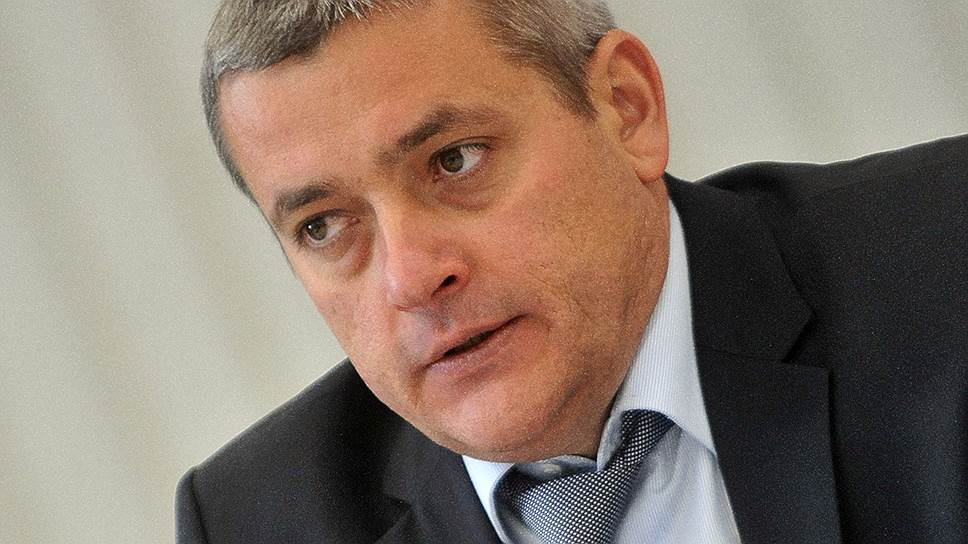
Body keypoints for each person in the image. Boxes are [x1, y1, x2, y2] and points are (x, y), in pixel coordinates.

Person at [176, 1, 967, 542]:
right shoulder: (260, 522)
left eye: (455, 160)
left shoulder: (945, 263)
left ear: (626, 108)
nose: (411, 279)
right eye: (322, 226)